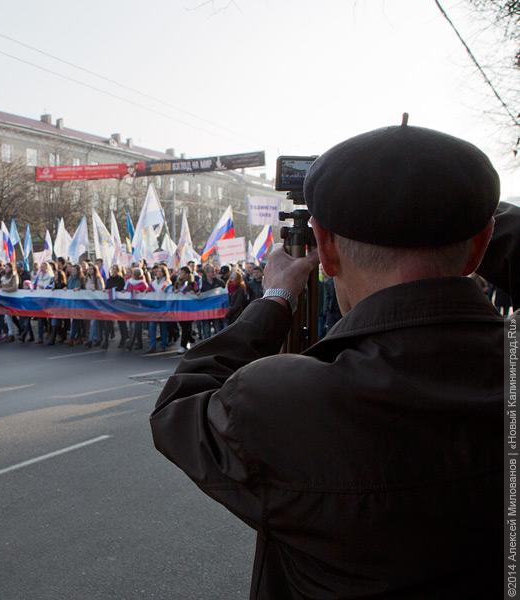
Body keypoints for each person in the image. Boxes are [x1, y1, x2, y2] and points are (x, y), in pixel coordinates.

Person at [151, 124, 502, 599]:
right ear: (481, 245)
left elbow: (179, 405)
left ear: (326, 248)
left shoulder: (287, 400)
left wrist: (274, 298)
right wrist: (439, 192)